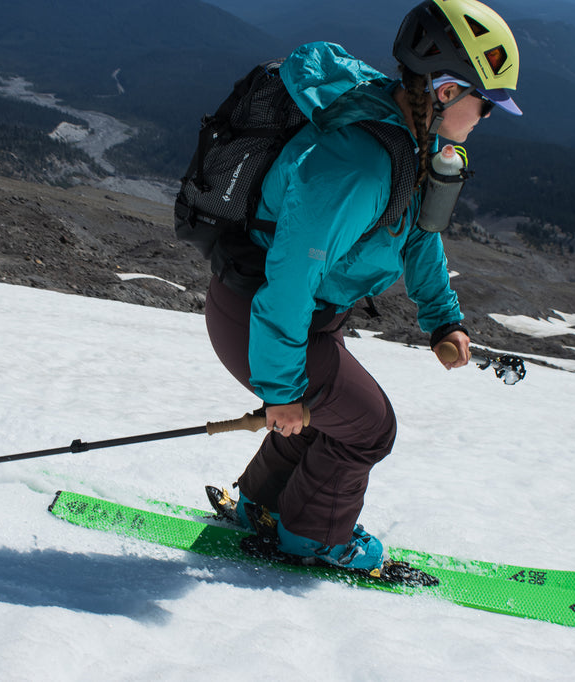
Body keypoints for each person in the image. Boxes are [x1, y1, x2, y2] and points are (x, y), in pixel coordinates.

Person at [204, 0, 522, 571]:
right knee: (370, 429)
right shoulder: (359, 165)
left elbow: (418, 233)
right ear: (447, 91)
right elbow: (291, 277)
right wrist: (280, 389)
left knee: (328, 417)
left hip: (291, 320)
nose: (487, 118)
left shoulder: (406, 136)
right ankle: (316, 539)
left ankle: (262, 507)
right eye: (486, 102)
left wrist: (443, 320)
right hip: (262, 316)